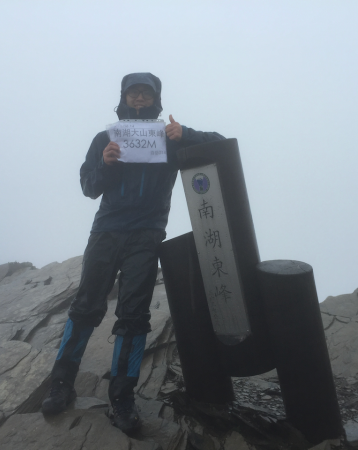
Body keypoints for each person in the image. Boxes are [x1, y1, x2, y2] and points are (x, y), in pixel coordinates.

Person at [41, 72, 224, 433]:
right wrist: (106, 164)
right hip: (107, 231)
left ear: (156, 100)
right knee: (85, 306)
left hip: (147, 233)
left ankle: (122, 397)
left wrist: (186, 135)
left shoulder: (170, 139)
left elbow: (220, 145)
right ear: (123, 99)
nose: (138, 100)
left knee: (134, 314)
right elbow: (88, 187)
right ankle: (61, 383)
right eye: (132, 94)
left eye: (145, 94)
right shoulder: (104, 138)